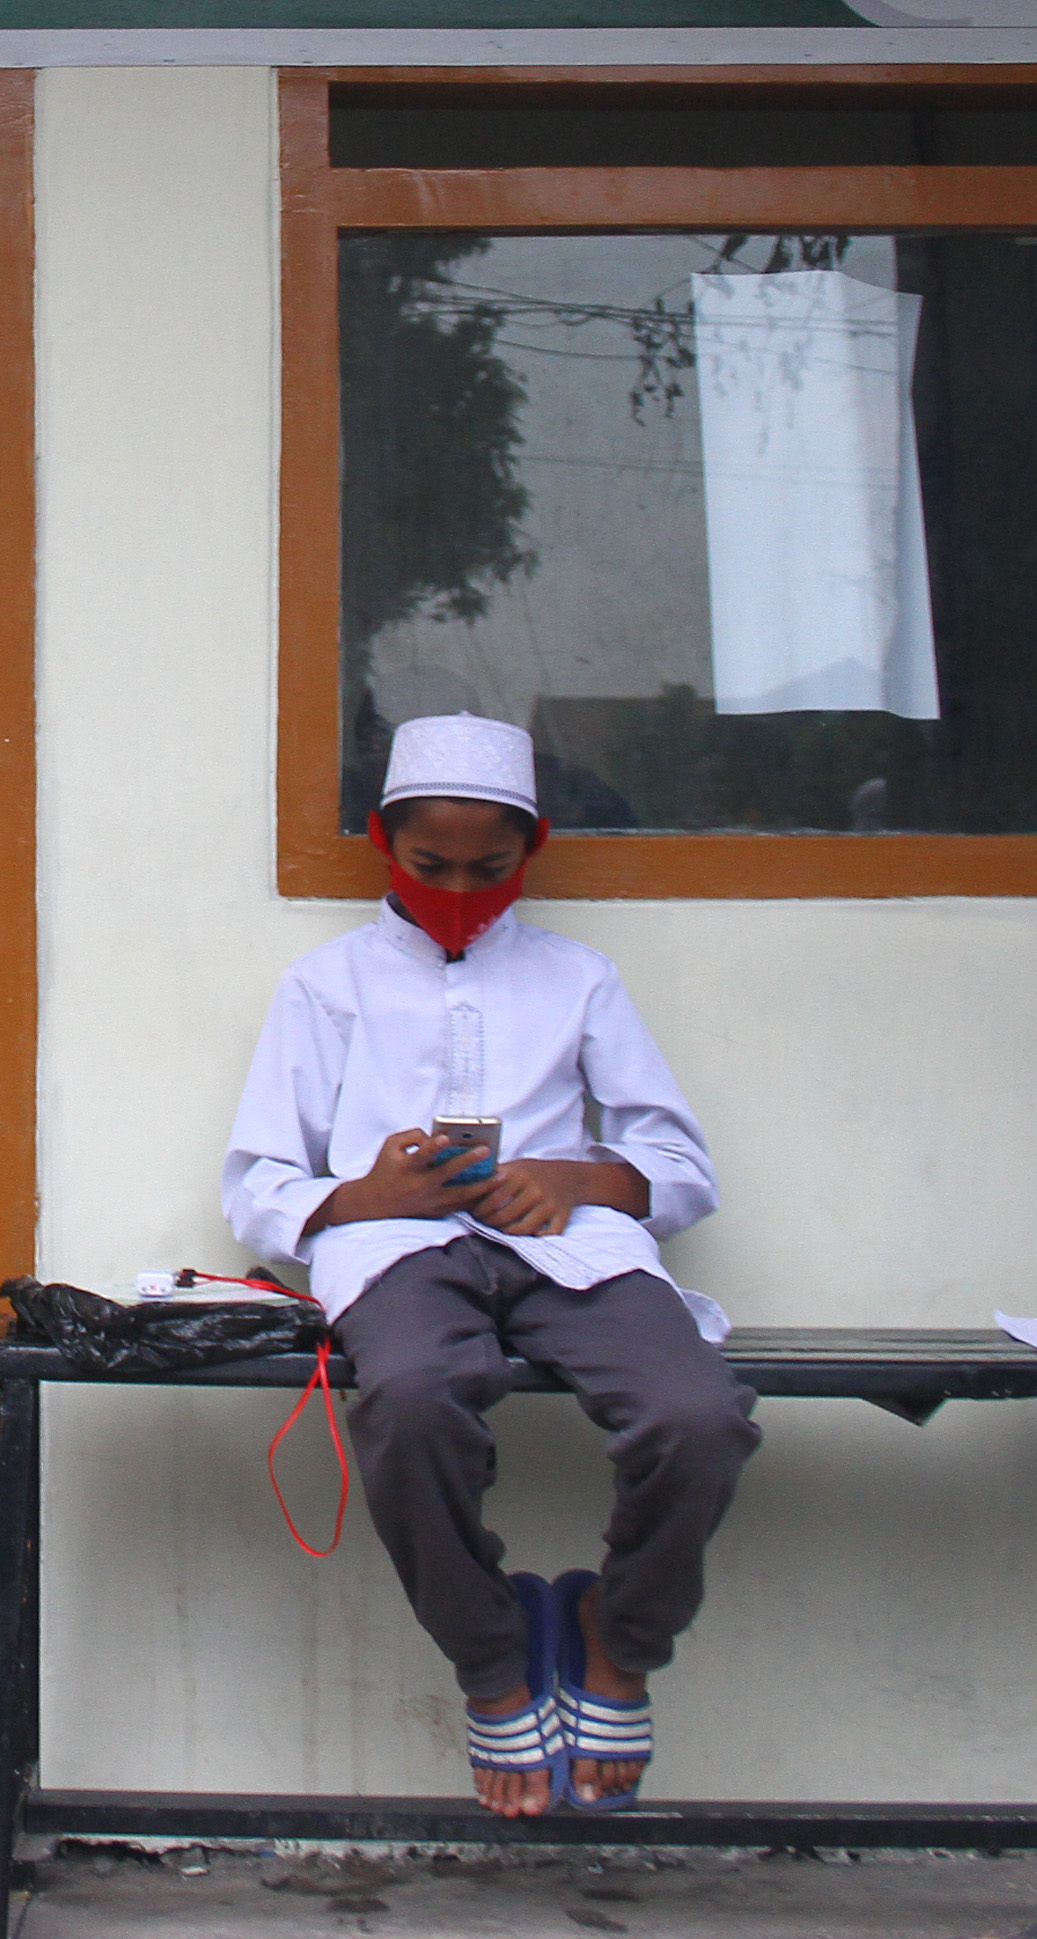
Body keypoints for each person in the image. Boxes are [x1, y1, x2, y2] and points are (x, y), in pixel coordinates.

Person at [225, 713, 757, 1817]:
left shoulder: (579, 979)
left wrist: (574, 1179)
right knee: (413, 1401)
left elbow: (677, 1164)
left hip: (566, 1248)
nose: (459, 887)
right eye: (430, 867)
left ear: (532, 849)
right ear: (384, 843)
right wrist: (373, 1192)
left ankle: (621, 1636)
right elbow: (257, 1183)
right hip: (395, 1252)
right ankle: (494, 1660)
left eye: (488, 867)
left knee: (694, 1411)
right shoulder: (327, 986)